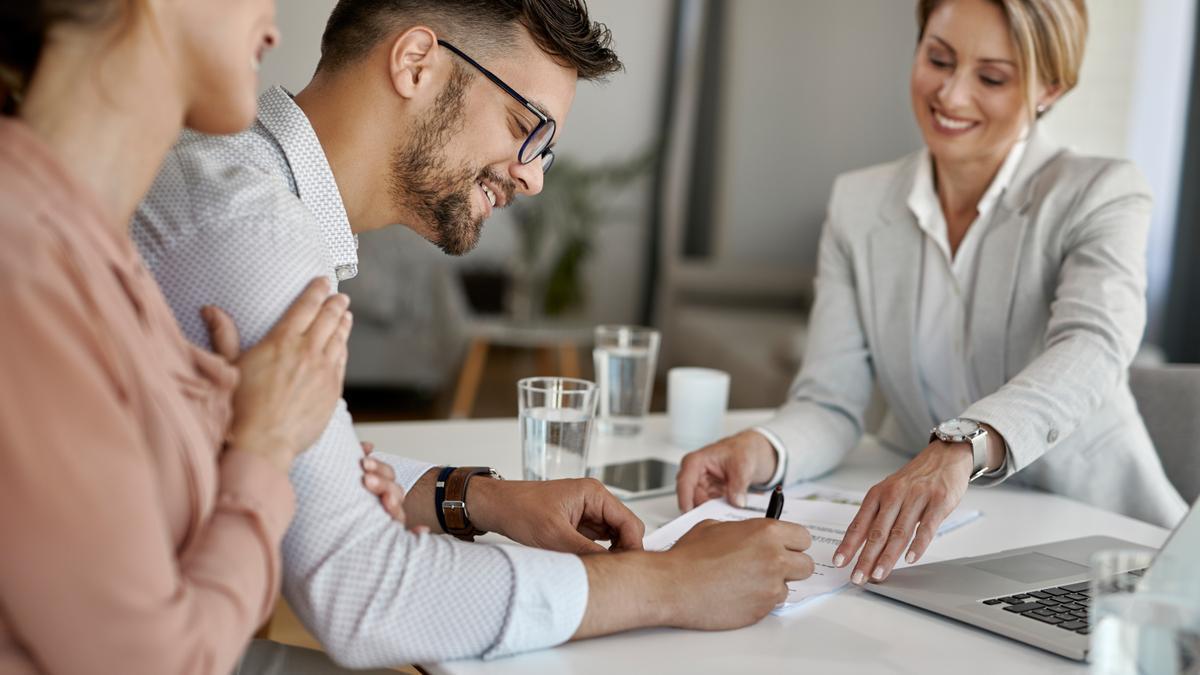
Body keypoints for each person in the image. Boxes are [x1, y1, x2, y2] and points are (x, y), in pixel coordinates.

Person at [132, 0, 815, 668]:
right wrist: (672, 584)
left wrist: (478, 496)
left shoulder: (246, 187)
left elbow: (311, 470)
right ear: (417, 62)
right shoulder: (255, 234)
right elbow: (363, 591)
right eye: (526, 124)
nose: (533, 176)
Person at [677, 0, 1186, 592]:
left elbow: (1094, 344)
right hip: (940, 544)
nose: (951, 94)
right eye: (938, 59)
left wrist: (962, 445)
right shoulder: (858, 204)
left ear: (1051, 87)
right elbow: (831, 401)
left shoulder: (1101, 192)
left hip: (1104, 547)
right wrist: (762, 447)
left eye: (991, 77)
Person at [0, 0, 360, 672]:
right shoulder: (26, 265)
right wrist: (266, 446)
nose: (275, 28)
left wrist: (225, 425)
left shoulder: (93, 243)